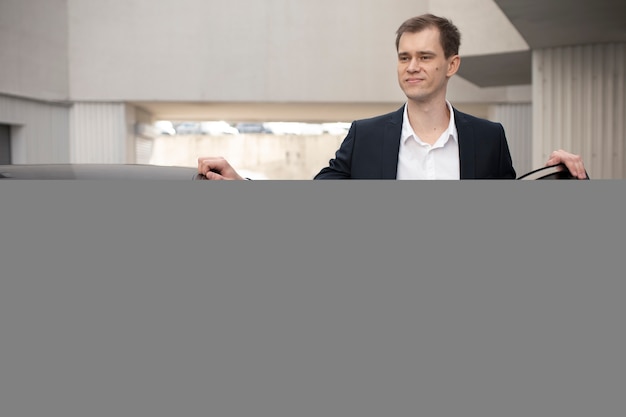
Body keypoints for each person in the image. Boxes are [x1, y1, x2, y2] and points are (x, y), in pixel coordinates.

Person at [198, 14, 587, 180]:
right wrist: (241, 184)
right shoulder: (365, 137)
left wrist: (563, 179)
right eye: (404, 57)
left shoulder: (489, 138)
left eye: (424, 57)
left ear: (451, 65)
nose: (411, 66)